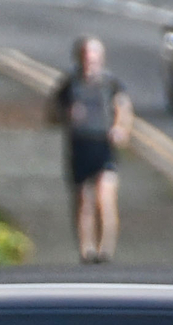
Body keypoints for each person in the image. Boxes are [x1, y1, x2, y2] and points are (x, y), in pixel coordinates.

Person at [49, 36, 134, 264]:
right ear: (79, 59)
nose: (90, 64)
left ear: (101, 60)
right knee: (82, 201)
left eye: (94, 60)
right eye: (86, 59)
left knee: (103, 197)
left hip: (103, 145)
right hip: (80, 145)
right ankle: (86, 250)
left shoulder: (111, 83)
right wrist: (65, 115)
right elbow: (50, 115)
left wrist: (120, 129)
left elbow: (124, 108)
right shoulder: (69, 85)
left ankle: (105, 250)